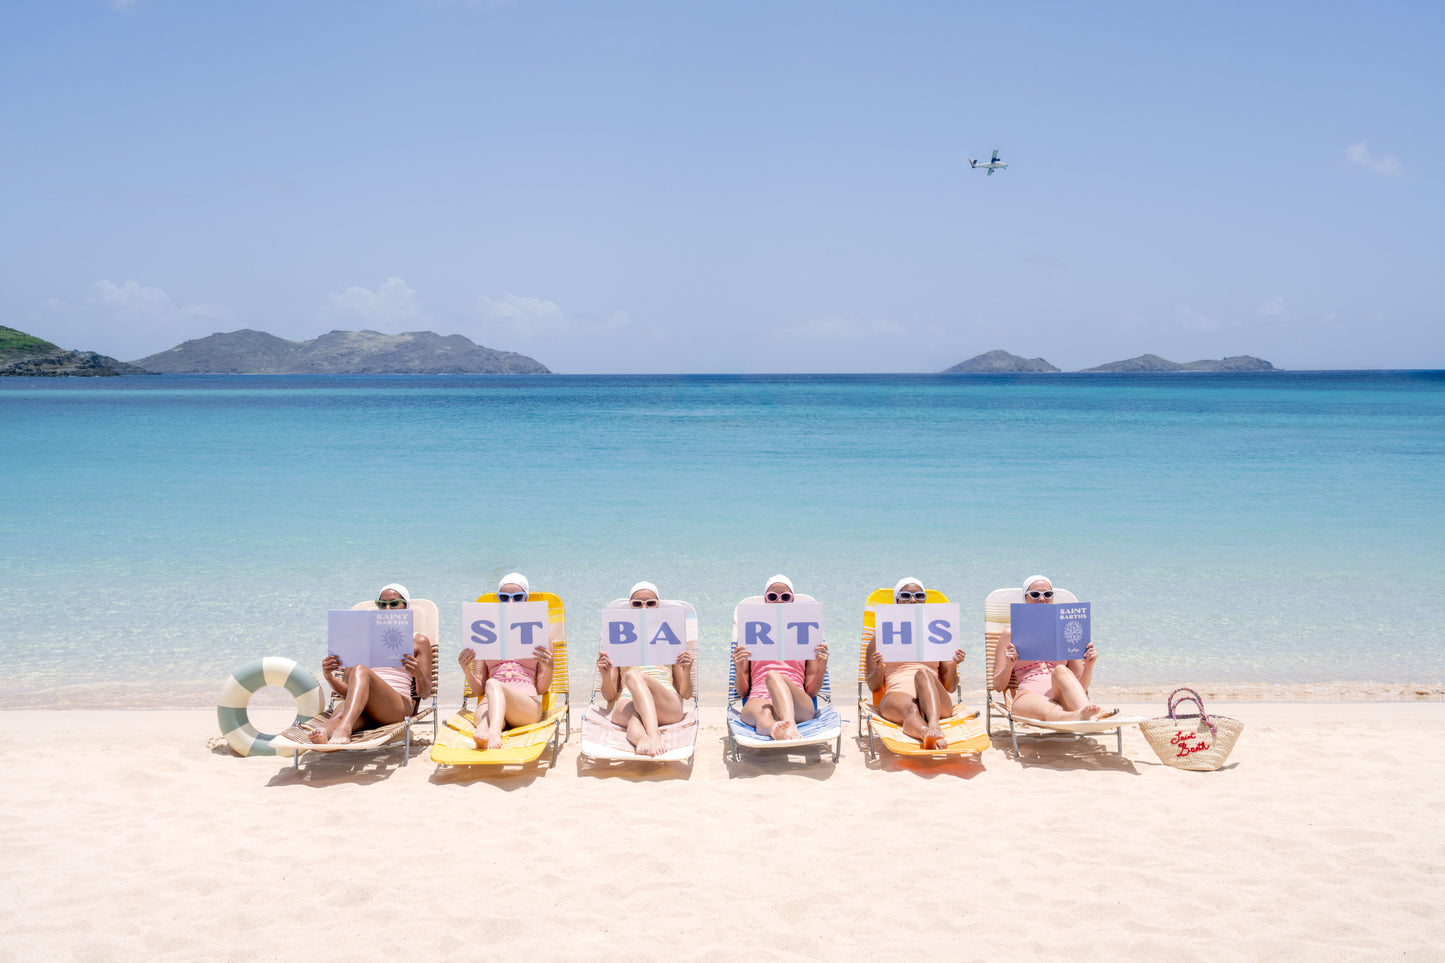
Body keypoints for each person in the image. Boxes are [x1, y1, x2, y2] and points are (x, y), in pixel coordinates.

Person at [312, 583, 434, 745]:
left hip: (396, 707)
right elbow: (348, 692)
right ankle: (325, 733)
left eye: (394, 603)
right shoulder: (361, 640)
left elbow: (425, 693)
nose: (388, 609)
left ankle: (344, 729)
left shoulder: (417, 640)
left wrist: (418, 673)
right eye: (382, 604)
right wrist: (329, 677)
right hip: (366, 709)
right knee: (342, 709)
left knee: (360, 671)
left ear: (406, 606)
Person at [992, 575, 1115, 722]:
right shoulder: (1010, 634)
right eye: (1035, 594)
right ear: (1025, 598)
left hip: (1062, 695)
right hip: (1029, 696)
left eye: (1048, 594)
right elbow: (998, 686)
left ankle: (1084, 712)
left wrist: (1089, 664)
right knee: (1052, 709)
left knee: (1061, 670)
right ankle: (1080, 716)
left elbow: (1080, 687)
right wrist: (1009, 665)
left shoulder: (1065, 631)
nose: (1042, 599)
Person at [594, 581, 696, 757]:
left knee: (633, 676)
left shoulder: (671, 636)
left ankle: (651, 735)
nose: (643, 608)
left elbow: (685, 693)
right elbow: (610, 696)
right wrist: (604, 675)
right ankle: (643, 738)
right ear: (630, 607)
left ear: (658, 606)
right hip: (628, 701)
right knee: (634, 712)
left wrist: (687, 671)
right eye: (637, 603)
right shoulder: (618, 639)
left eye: (650, 603)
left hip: (666, 703)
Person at [864, 577, 966, 750]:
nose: (913, 600)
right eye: (906, 595)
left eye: (919, 596)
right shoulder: (881, 637)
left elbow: (950, 687)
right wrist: (879, 669)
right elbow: (873, 687)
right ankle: (925, 733)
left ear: (925, 601)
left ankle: (934, 725)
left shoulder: (938, 635)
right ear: (896, 601)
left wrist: (954, 665)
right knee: (911, 710)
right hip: (897, 695)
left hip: (935, 699)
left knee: (923, 673)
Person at [457, 573, 556, 750]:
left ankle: (491, 730)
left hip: (526, 704)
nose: (510, 603)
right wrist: (466, 671)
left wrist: (550, 667)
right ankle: (489, 727)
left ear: (526, 599)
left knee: (493, 683)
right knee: (491, 690)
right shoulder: (485, 635)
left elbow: (541, 688)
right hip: (489, 703)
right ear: (498, 600)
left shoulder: (540, 633)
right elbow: (479, 688)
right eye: (504, 598)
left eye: (517, 597)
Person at [732, 574, 830, 740]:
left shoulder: (807, 633)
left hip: (797, 700)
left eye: (785, 597)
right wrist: (739, 669)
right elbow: (742, 692)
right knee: (765, 711)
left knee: (773, 676)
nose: (778, 601)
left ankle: (788, 723)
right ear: (765, 600)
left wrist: (822, 667)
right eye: (772, 597)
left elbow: (812, 691)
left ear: (792, 601)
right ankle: (774, 728)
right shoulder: (749, 633)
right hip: (759, 698)